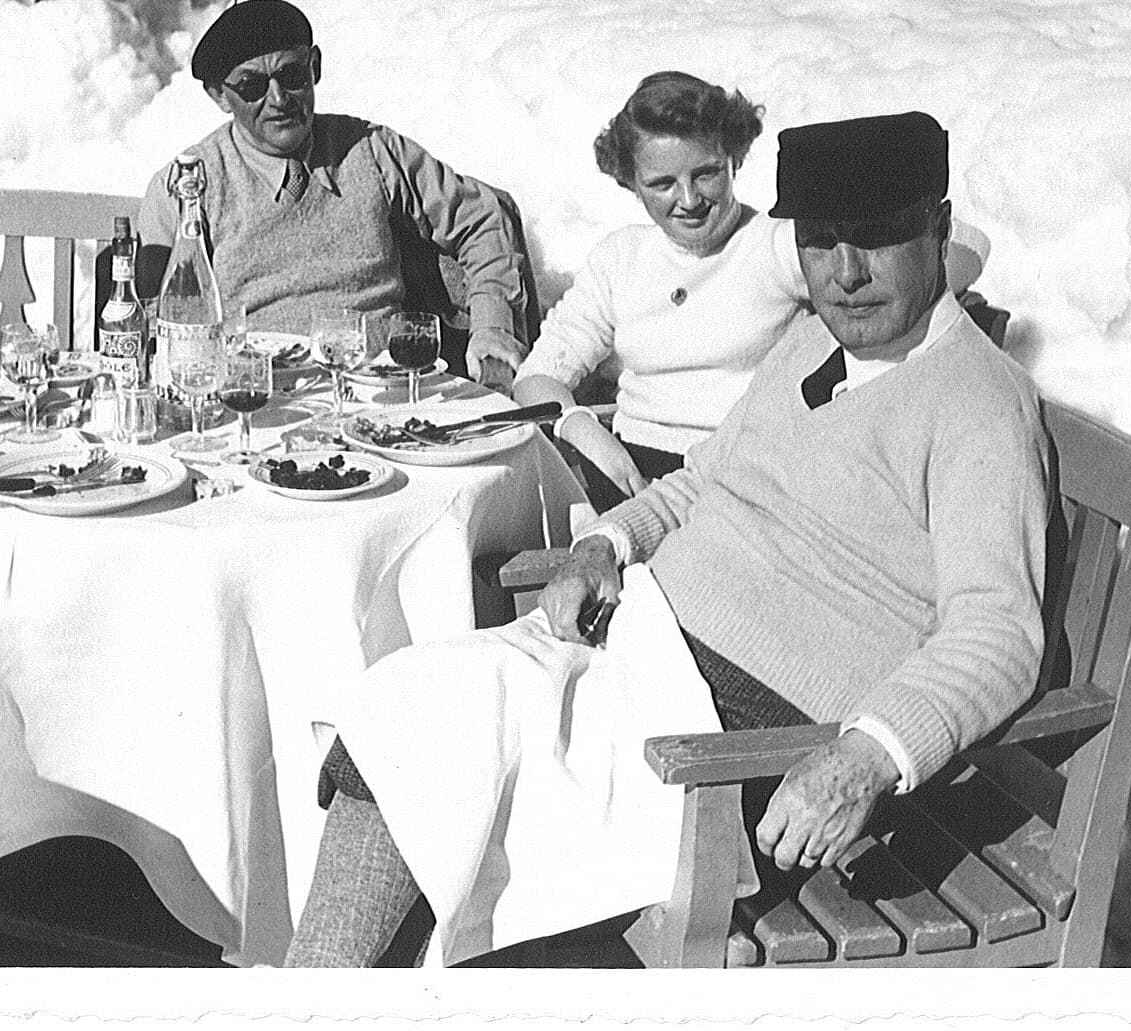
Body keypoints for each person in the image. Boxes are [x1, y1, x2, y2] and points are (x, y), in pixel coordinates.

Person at [283, 111, 1051, 967]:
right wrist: (604, 545)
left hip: (737, 742)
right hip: (640, 654)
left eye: (874, 240)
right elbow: (702, 480)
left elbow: (998, 633)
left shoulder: (979, 405)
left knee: (431, 750)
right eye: (819, 242)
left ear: (937, 230)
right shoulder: (810, 341)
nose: (843, 273)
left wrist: (864, 760)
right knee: (403, 704)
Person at [135, 0, 532, 378]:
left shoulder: (373, 151)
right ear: (220, 95)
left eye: (292, 76)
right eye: (252, 86)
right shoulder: (190, 183)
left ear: (316, 67)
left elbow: (481, 218)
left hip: (380, 389)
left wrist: (492, 325)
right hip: (257, 397)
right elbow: (157, 319)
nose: (278, 99)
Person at [512, 72, 806, 506]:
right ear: (632, 182)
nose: (688, 200)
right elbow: (537, 378)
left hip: (744, 481)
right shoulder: (620, 258)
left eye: (706, 174)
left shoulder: (778, 245)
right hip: (628, 474)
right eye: (662, 184)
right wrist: (582, 428)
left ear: (734, 161)